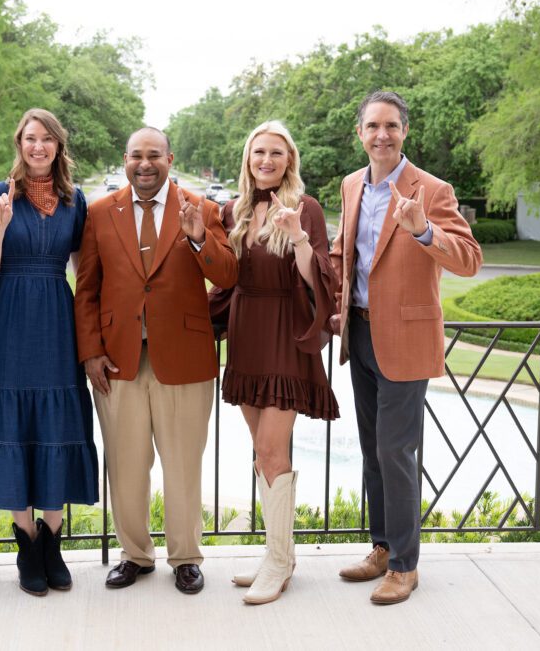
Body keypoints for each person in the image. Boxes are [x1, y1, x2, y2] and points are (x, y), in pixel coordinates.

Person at [329, 91, 482, 605]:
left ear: (404, 132)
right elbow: (346, 254)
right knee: (374, 449)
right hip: (361, 333)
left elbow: (468, 258)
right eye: (373, 126)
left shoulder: (432, 190)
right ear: (360, 133)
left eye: (391, 126)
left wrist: (423, 231)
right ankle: (381, 546)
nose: (382, 135)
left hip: (408, 338)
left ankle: (405, 565)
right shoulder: (352, 185)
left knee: (396, 451)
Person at [74, 127, 238, 594]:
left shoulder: (202, 209)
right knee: (126, 463)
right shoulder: (101, 212)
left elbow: (228, 273)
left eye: (154, 156)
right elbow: (86, 288)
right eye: (136, 157)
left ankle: (185, 557)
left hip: (184, 359)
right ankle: (135, 555)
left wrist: (198, 238)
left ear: (170, 157)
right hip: (117, 360)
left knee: (183, 462)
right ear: (125, 159)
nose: (145, 165)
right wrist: (90, 351)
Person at [0, 108, 98, 596]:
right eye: (29, 139)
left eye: (47, 140)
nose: (38, 147)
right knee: (13, 424)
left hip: (57, 322)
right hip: (10, 319)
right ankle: (26, 541)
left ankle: (54, 543)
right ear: (19, 143)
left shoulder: (74, 201)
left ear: (58, 146)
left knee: (56, 424)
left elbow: (85, 272)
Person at [208, 121, 338, 605]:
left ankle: (279, 562)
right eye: (258, 152)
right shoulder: (233, 210)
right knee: (264, 452)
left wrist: (299, 238)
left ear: (289, 160)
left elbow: (317, 277)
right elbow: (223, 277)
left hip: (284, 333)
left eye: (276, 153)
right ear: (248, 158)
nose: (266, 160)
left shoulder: (305, 208)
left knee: (270, 448)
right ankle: (278, 555)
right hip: (245, 336)